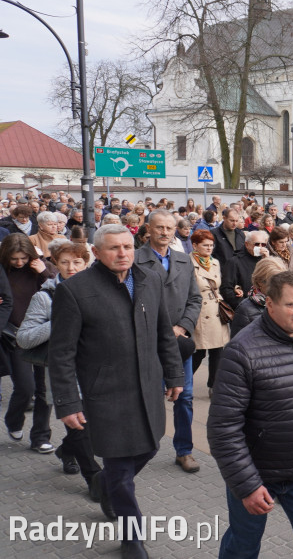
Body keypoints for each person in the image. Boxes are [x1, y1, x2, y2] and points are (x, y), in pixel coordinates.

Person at [49, 224, 183, 557]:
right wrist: (67, 402)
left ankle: (104, 482)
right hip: (105, 394)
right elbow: (61, 352)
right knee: (122, 471)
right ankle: (131, 537)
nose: (122, 253)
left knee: (150, 449)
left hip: (148, 386)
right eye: (113, 248)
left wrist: (174, 374)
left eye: (127, 246)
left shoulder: (151, 280)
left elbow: (164, 332)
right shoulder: (75, 290)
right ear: (96, 253)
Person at [208, 272, 293, 558]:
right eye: (291, 305)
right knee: (243, 545)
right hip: (257, 473)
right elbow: (223, 428)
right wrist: (248, 485)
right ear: (270, 304)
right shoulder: (242, 351)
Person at [17, 241, 97, 480]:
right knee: (81, 422)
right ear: (55, 264)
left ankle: (66, 450)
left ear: (86, 263)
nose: (71, 267)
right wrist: (60, 321)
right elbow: (24, 338)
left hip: (99, 368)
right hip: (65, 371)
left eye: (77, 262)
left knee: (93, 423)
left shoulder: (99, 290)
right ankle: (94, 479)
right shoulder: (45, 297)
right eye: (64, 262)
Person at [135, 209, 203, 474]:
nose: (164, 232)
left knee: (184, 396)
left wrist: (182, 326)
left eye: (169, 228)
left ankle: (184, 451)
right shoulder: (135, 259)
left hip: (178, 341)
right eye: (159, 228)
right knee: (146, 395)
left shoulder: (184, 261)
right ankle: (141, 448)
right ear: (148, 229)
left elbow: (194, 299)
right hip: (146, 341)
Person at [1, 233, 57, 453]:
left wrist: (42, 271)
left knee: (45, 391)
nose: (19, 263)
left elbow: (58, 286)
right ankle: (13, 420)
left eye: (23, 258)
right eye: (14, 259)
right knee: (25, 388)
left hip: (42, 334)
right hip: (15, 335)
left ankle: (40, 437)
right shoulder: (2, 270)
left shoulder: (39, 267)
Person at [189, 229, 232, 395]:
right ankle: (180, 379)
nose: (209, 248)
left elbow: (218, 284)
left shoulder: (215, 262)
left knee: (218, 351)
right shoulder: (187, 263)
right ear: (195, 245)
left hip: (216, 307)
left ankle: (214, 386)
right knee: (198, 351)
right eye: (205, 245)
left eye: (211, 245)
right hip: (199, 309)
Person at [230, 257, 287, 337]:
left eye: (282, 281)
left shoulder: (288, 303)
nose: (279, 286)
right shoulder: (245, 310)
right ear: (259, 282)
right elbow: (237, 346)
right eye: (273, 282)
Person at [221, 230, 268, 309]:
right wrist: (245, 306)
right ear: (247, 244)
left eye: (263, 244)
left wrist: (268, 261)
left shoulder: (266, 259)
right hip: (247, 308)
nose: (260, 247)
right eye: (256, 244)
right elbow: (226, 289)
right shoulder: (235, 261)